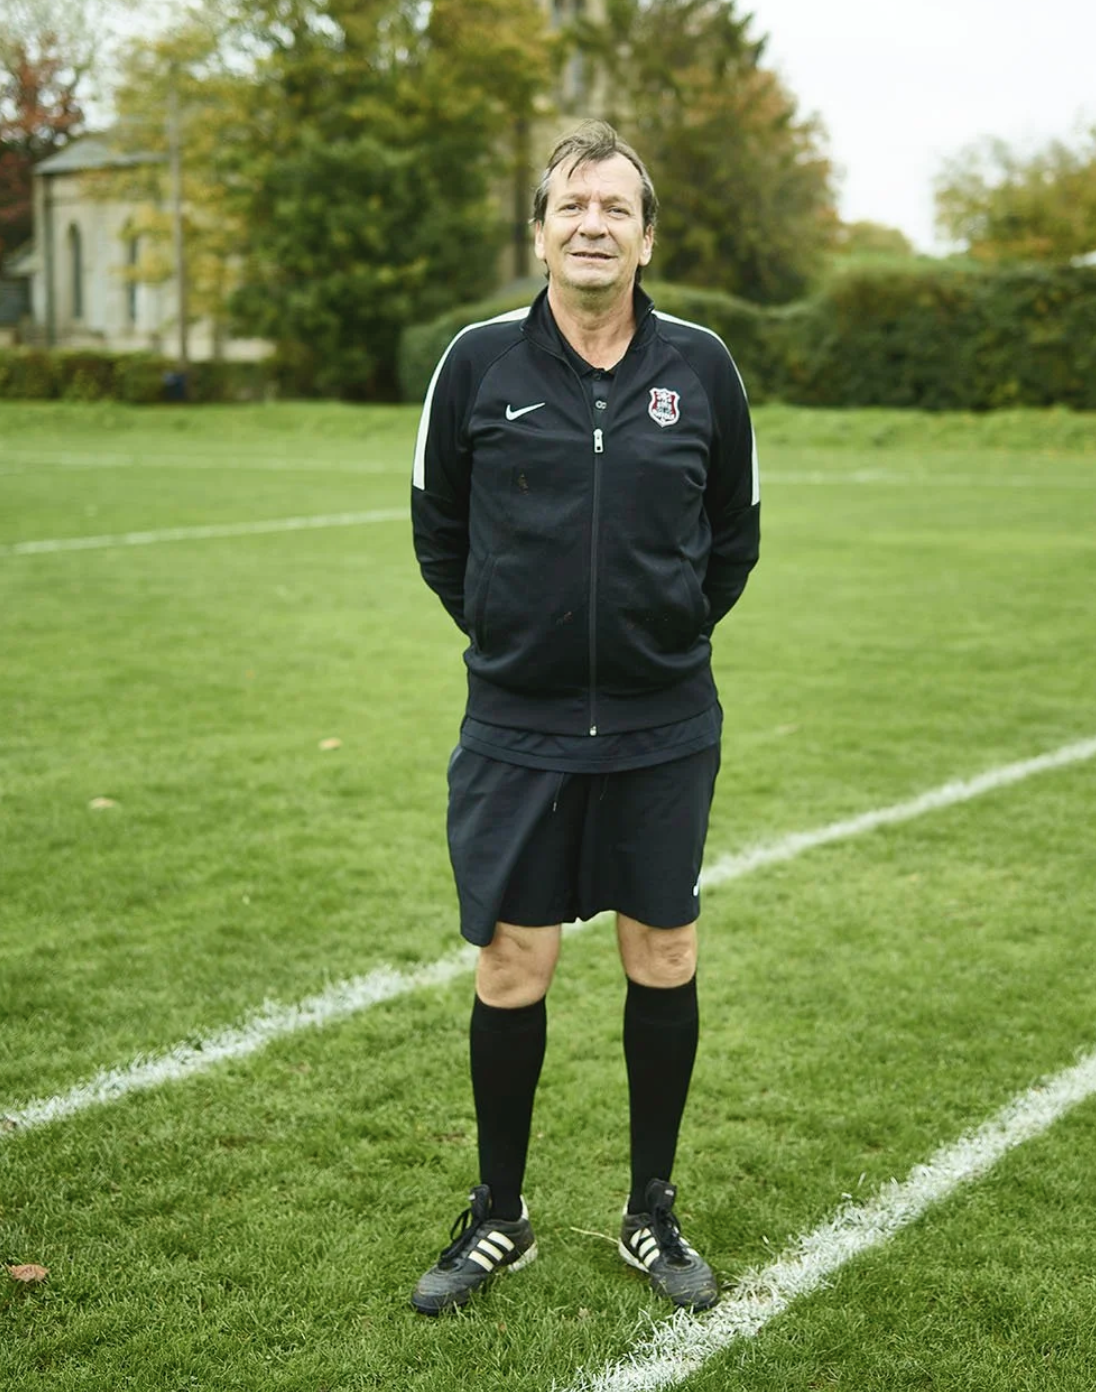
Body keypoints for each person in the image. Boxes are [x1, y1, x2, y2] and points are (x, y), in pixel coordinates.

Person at [407, 121, 760, 1315]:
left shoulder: (703, 367)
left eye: (617, 206)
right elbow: (438, 533)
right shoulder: (475, 366)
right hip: (517, 723)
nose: (593, 223)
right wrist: (517, 635)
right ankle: (499, 1212)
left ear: (646, 235)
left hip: (664, 722)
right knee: (515, 964)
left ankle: (651, 1210)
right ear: (541, 231)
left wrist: (656, 636)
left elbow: (733, 537)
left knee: (662, 951)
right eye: (573, 206)